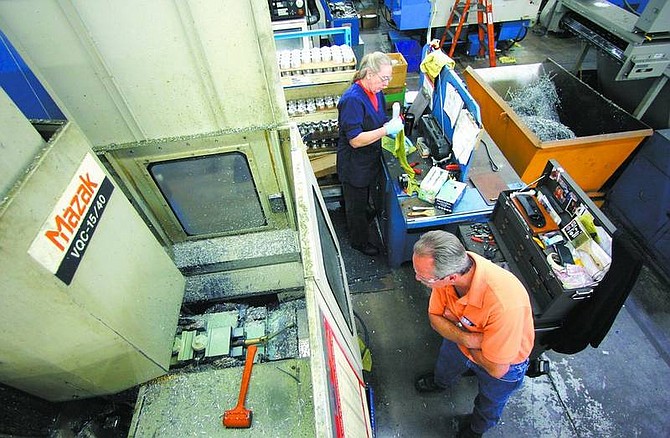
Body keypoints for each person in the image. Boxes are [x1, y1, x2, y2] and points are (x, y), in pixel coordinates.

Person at [412, 230, 535, 437]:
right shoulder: (451, 270)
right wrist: (468, 339)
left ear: (451, 277)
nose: (417, 279)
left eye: (424, 278)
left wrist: (454, 331)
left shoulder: (505, 304)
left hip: (504, 366)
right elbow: (435, 318)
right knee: (446, 365)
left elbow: (497, 370)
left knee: (490, 402)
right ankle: (441, 382)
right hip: (462, 339)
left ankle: (477, 429)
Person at [337, 51, 403, 256]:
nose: (387, 83)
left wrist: (391, 125)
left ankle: (359, 212)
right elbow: (355, 140)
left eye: (389, 78)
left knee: (362, 199)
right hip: (355, 163)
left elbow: (376, 118)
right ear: (369, 74)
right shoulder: (352, 100)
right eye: (384, 78)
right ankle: (359, 242)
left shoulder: (376, 92)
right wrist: (386, 130)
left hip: (369, 158)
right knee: (356, 207)